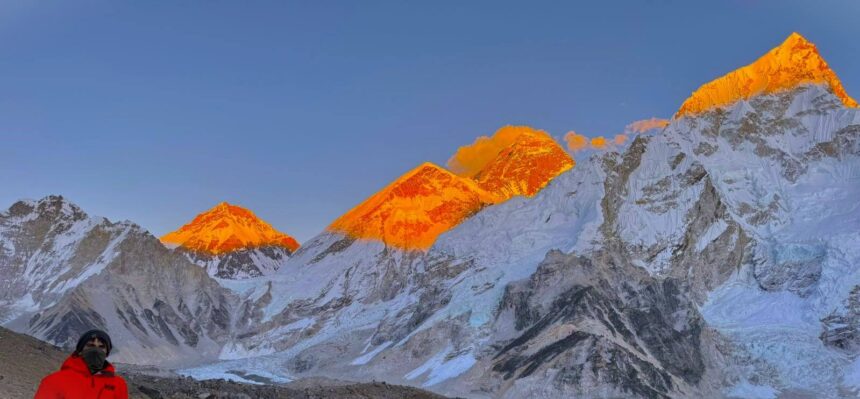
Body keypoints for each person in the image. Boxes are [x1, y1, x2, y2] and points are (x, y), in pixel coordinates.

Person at [34, 329, 129, 399]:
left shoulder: (119, 384)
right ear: (79, 351)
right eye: (90, 345)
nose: (96, 350)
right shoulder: (54, 381)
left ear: (107, 353)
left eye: (101, 347)